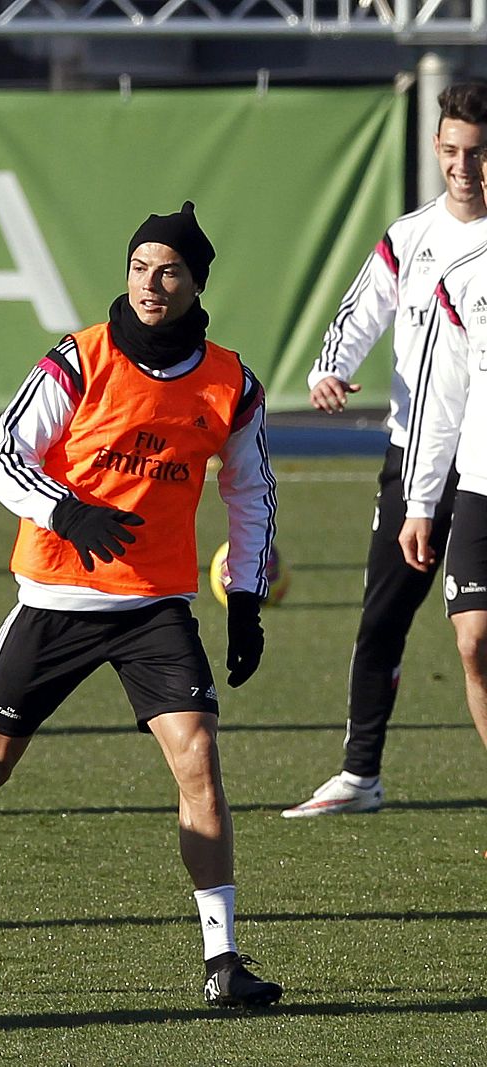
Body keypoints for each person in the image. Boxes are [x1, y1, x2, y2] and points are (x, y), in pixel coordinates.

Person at [0, 203, 284, 1010]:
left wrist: (246, 598)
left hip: (155, 605)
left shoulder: (231, 383)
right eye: (140, 265)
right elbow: (2, 455)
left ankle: (223, 959)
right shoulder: (79, 360)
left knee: (199, 763)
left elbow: (251, 493)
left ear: (195, 283)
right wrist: (66, 511)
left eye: (170, 270)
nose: (152, 283)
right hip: (56, 596)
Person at [283, 82, 487, 819]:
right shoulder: (410, 238)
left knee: (476, 637)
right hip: (412, 458)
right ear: (435, 148)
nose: (463, 166)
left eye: (478, 152)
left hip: (483, 465)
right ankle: (359, 774)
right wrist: (330, 368)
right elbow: (359, 309)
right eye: (452, 150)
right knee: (382, 620)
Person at [395, 192, 487, 762]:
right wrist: (420, 502)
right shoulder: (462, 279)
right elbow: (440, 401)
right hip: (479, 484)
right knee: (474, 642)